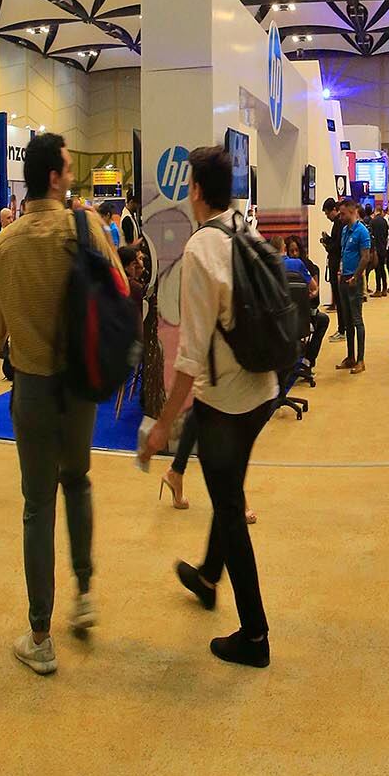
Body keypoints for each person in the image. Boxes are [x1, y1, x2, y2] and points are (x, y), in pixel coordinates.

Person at [0, 133, 115, 676]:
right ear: (56, 177)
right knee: (77, 480)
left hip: (33, 386)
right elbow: (118, 287)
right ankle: (83, 595)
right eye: (67, 166)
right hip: (80, 383)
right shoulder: (88, 228)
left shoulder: (3, 245)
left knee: (37, 504)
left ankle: (40, 635)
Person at [143, 144, 274, 669]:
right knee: (228, 491)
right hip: (263, 389)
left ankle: (255, 635)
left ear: (195, 190)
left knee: (229, 508)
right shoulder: (245, 230)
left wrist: (163, 426)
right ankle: (206, 576)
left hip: (226, 403)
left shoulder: (200, 249)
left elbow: (190, 357)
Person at [331, 197, 370, 373]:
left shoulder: (362, 232)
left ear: (352, 211)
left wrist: (356, 276)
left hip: (355, 280)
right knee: (347, 321)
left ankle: (361, 360)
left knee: (357, 320)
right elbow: (343, 253)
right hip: (344, 278)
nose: (340, 217)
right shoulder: (345, 231)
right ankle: (350, 357)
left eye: (343, 214)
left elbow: (365, 257)